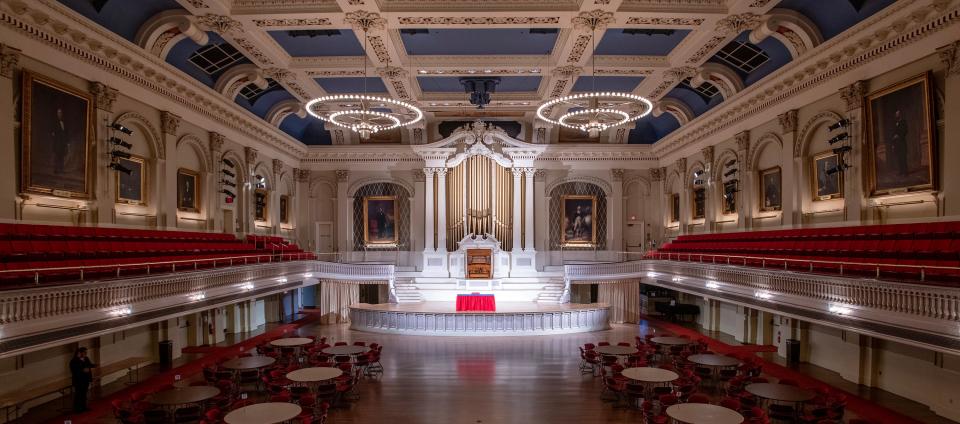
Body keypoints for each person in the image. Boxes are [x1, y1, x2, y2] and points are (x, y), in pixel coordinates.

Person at [70, 347, 96, 413]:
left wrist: (94, 365)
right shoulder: (74, 361)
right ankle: (77, 409)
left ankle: (84, 407)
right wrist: (83, 370)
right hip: (78, 381)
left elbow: (89, 365)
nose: (86, 354)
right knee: (78, 395)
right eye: (84, 352)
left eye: (86, 352)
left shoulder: (86, 358)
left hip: (85, 380)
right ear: (80, 353)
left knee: (84, 394)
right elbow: (74, 371)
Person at [889, 109, 909, 177]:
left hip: (902, 142)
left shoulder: (904, 122)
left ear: (900, 114)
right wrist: (893, 143)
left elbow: (905, 131)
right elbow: (893, 133)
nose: (897, 115)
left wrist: (899, 135)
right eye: (896, 114)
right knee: (899, 158)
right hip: (897, 144)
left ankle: (905, 172)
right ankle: (901, 171)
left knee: (903, 157)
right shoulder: (895, 123)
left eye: (898, 114)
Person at [51, 107, 70, 174]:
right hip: (57, 142)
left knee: (62, 157)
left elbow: (66, 133)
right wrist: (53, 133)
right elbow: (52, 131)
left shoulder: (64, 122)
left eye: (60, 112)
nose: (59, 114)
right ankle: (55, 170)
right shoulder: (54, 122)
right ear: (57, 114)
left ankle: (61, 170)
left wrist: (67, 142)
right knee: (56, 156)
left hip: (63, 143)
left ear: (62, 114)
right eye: (58, 112)